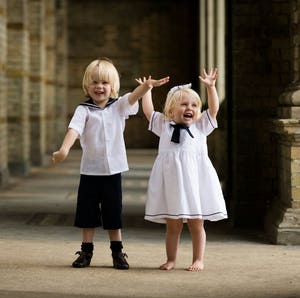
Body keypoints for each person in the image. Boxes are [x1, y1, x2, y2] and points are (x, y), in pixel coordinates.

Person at [52, 57, 169, 270]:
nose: (99, 87)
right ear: (87, 85)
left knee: (113, 212)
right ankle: (86, 251)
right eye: (95, 82)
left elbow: (133, 97)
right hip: (90, 170)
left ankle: (117, 251)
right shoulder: (83, 109)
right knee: (87, 213)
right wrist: (64, 149)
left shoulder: (119, 106)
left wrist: (146, 86)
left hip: (113, 171)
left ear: (112, 86)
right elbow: (74, 130)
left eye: (105, 83)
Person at [136, 68, 227, 271]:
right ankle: (171, 259)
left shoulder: (200, 126)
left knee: (197, 223)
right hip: (172, 183)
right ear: (170, 111)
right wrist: (147, 90)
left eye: (194, 105)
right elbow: (148, 112)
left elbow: (213, 109)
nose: (190, 108)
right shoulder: (164, 125)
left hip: (195, 182)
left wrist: (211, 88)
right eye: (184, 104)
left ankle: (198, 259)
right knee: (173, 225)